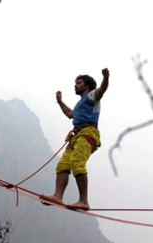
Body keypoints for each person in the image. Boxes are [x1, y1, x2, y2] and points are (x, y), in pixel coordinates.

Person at [42, 68, 109, 210]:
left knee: (77, 161)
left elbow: (101, 90)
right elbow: (70, 114)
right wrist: (60, 102)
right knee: (63, 164)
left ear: (87, 86)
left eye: (79, 83)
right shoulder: (80, 104)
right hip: (77, 135)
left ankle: (83, 201)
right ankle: (57, 196)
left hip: (89, 133)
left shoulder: (91, 96)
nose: (76, 85)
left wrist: (105, 77)